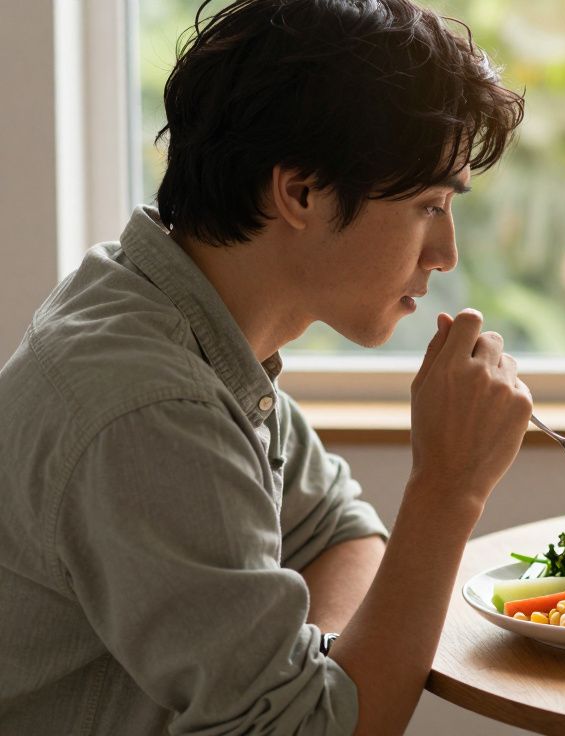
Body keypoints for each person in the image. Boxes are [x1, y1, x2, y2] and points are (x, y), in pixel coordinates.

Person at [0, 1, 531, 733]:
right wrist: (449, 487)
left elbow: (341, 532)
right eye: (427, 206)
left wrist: (318, 673)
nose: (446, 254)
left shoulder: (179, 312)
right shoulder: (151, 405)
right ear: (301, 192)